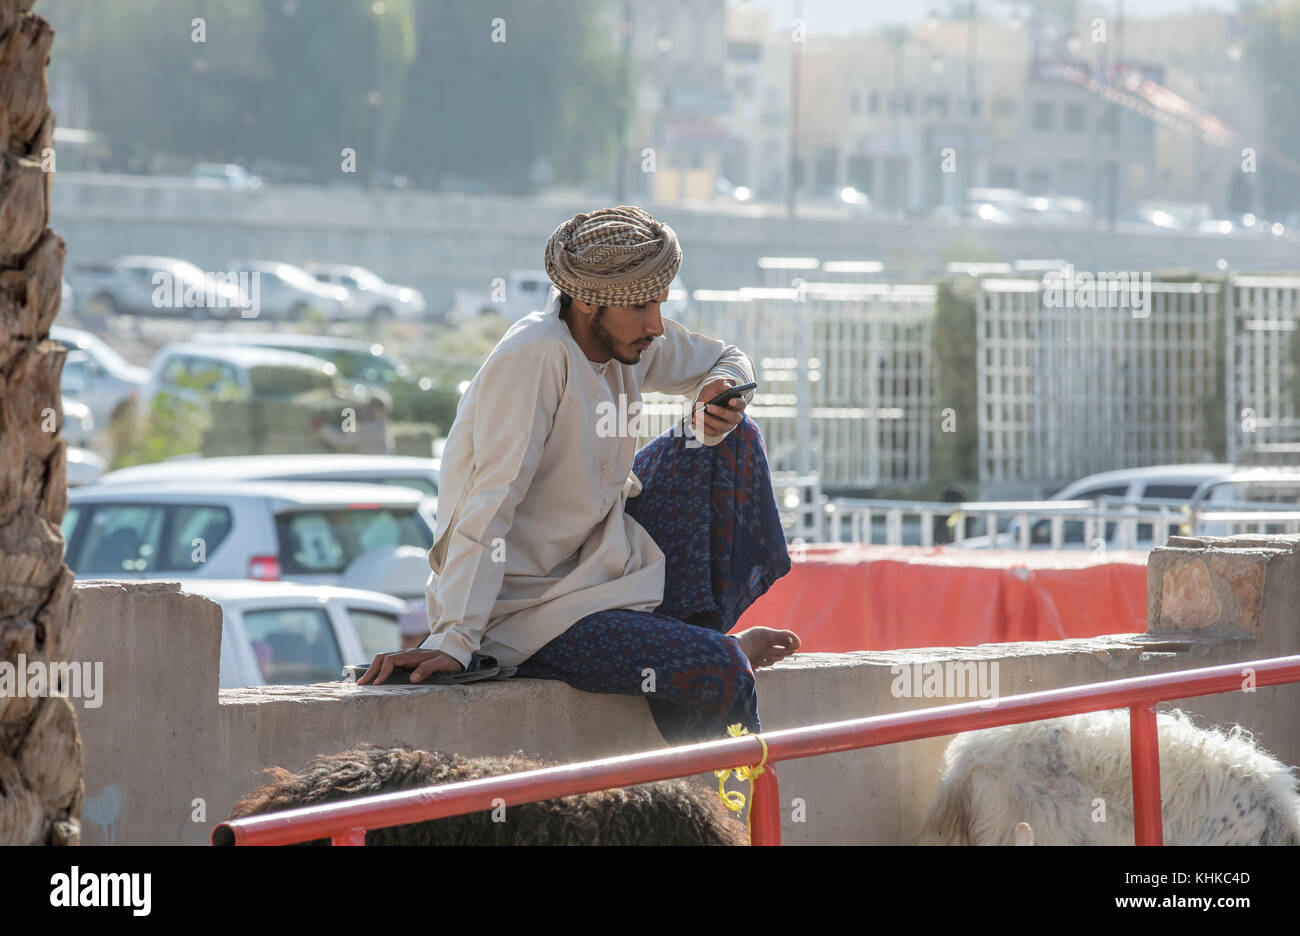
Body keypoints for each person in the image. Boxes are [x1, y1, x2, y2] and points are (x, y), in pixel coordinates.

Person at [360, 206, 799, 744]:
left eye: (659, 304)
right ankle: (734, 805)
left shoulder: (625, 342)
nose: (655, 325)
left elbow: (730, 358)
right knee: (724, 672)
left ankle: (696, 637)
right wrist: (453, 641)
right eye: (641, 306)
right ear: (588, 300)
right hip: (533, 616)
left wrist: (720, 389)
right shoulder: (535, 359)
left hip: (603, 572)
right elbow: (486, 506)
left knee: (732, 434)